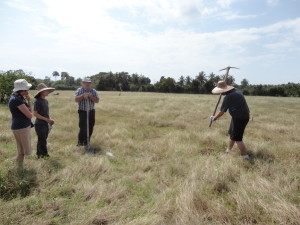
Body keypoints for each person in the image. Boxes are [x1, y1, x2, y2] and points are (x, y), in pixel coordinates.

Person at [210, 81, 251, 160]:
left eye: (221, 92)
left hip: (240, 118)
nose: (220, 94)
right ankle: (228, 151)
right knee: (232, 135)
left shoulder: (228, 97)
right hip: (239, 117)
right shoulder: (236, 91)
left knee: (238, 138)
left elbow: (222, 111)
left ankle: (245, 156)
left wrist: (214, 118)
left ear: (225, 90)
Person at [8, 79, 33, 169]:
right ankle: (18, 169)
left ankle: (19, 169)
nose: (28, 91)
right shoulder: (17, 100)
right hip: (21, 127)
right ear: (22, 90)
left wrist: (28, 101)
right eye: (27, 89)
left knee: (21, 150)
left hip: (19, 127)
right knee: (22, 151)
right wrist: (29, 102)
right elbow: (30, 115)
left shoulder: (17, 98)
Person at [75, 77, 99, 146]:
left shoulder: (93, 91)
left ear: (91, 83)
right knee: (83, 127)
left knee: (90, 126)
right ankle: (80, 143)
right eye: (85, 82)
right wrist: (83, 96)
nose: (87, 84)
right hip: (83, 111)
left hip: (91, 111)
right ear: (83, 83)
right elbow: (76, 100)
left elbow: (97, 101)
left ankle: (87, 142)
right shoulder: (79, 90)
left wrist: (91, 97)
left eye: (89, 83)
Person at [33, 83, 55, 158]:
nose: (48, 92)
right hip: (39, 124)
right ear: (41, 92)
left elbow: (46, 113)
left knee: (42, 139)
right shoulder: (37, 101)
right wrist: (47, 120)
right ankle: (44, 155)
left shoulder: (45, 101)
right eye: (46, 91)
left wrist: (49, 120)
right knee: (42, 140)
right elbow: (35, 114)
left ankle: (39, 154)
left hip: (45, 123)